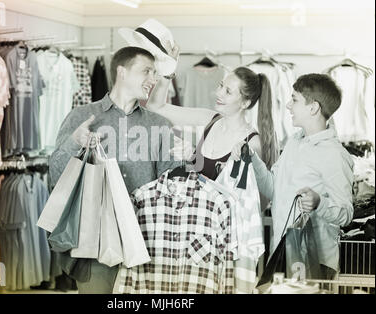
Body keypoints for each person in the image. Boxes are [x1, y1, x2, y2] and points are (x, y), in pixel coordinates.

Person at [49, 46, 180, 293]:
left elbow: (170, 186)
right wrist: (73, 142)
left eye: (154, 73)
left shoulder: (159, 125)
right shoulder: (82, 117)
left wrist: (184, 162)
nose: (153, 79)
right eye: (146, 71)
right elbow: (55, 176)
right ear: (122, 72)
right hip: (96, 243)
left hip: (145, 243)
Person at [232, 73, 354, 279]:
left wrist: (319, 203)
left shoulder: (334, 154)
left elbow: (346, 213)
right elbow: (273, 189)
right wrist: (251, 157)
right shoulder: (294, 142)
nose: (288, 105)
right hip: (283, 255)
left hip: (315, 265)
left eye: (295, 99)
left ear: (313, 108)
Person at [147, 62, 278, 182]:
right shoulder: (209, 119)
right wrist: (168, 70)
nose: (219, 93)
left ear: (245, 103)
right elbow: (155, 107)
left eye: (228, 92)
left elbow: (240, 195)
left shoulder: (252, 144)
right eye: (221, 85)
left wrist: (191, 158)